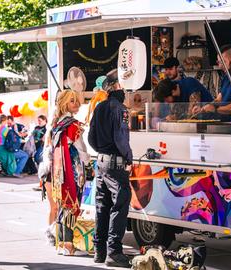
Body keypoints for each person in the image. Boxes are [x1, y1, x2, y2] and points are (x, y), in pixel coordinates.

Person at [88, 69, 133, 268]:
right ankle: (114, 251)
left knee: (102, 206)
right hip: (115, 164)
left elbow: (91, 137)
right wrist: (129, 158)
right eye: (123, 86)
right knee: (120, 204)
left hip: (101, 163)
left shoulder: (100, 107)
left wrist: (101, 151)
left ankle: (99, 251)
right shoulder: (120, 109)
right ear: (116, 86)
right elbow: (121, 139)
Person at [47, 89, 90, 256]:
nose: (77, 104)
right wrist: (88, 163)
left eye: (77, 101)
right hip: (72, 169)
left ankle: (62, 244)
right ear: (65, 104)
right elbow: (81, 149)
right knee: (71, 205)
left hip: (59, 170)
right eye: (73, 101)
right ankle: (69, 246)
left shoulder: (57, 124)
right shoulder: (72, 125)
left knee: (63, 206)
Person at [200, 46, 231, 120]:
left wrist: (215, 110)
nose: (220, 66)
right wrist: (204, 107)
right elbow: (219, 99)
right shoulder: (226, 78)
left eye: (223, 62)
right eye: (219, 62)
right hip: (224, 122)